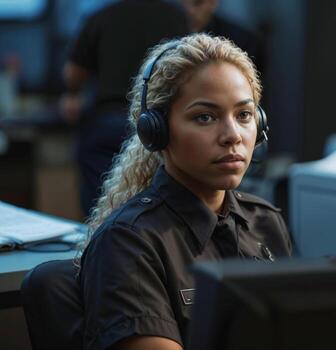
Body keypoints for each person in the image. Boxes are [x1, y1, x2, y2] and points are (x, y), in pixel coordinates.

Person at [78, 33, 293, 350]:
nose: (232, 135)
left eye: (244, 115)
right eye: (205, 117)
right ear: (157, 132)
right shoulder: (128, 243)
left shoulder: (265, 221)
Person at [60, 0, 188, 216]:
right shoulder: (176, 15)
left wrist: (73, 93)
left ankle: (102, 240)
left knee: (102, 205)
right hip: (157, 122)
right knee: (156, 203)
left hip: (108, 121)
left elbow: (73, 74)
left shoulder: (100, 16)